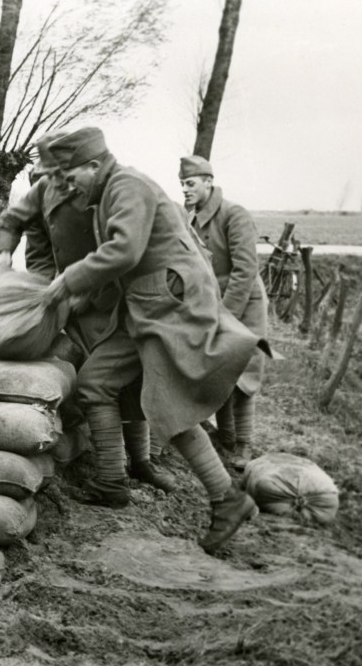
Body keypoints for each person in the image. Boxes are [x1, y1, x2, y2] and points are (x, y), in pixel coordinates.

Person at [40, 126, 267, 553]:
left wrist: (69, 282)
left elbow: (124, 251)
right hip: (144, 306)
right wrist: (83, 295)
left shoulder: (127, 186)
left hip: (171, 305)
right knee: (96, 382)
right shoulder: (106, 193)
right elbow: (122, 263)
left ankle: (227, 498)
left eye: (73, 177)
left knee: (167, 403)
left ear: (94, 165)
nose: (70, 187)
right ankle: (111, 481)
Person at [0, 132, 178, 499]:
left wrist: (80, 290)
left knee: (126, 380)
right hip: (67, 297)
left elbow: (120, 251)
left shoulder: (99, 190)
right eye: (47, 174)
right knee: (95, 382)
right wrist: (4, 259)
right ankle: (111, 465)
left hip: (109, 294)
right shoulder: (45, 190)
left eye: (60, 173)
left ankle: (140, 462)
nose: (55, 181)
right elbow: (17, 227)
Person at [180, 155, 269, 471]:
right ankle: (227, 437)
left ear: (208, 182)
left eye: (191, 183)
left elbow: (245, 270)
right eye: (182, 184)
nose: (185, 189)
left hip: (244, 304)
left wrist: (226, 317)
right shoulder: (191, 221)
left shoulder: (234, 214)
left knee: (243, 371)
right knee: (219, 370)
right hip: (213, 305)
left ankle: (244, 445)